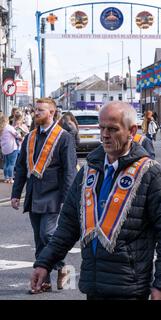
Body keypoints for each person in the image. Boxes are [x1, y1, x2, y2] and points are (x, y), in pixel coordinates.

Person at [29, 101, 161, 300]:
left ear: (132, 130)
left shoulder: (150, 173)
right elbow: (67, 226)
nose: (105, 135)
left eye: (113, 129)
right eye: (102, 128)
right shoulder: (87, 172)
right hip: (94, 286)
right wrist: (44, 263)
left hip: (129, 288)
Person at [11, 98, 77, 293]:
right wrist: (16, 194)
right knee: (39, 240)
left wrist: (68, 199)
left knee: (47, 233)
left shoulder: (64, 137)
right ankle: (45, 281)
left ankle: (62, 265)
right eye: (35, 110)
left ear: (52, 113)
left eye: (40, 110)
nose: (36, 113)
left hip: (54, 195)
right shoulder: (31, 137)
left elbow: (69, 171)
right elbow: (21, 167)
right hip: (34, 195)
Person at [0, 115, 22, 183]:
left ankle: (6, 178)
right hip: (12, 147)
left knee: (6, 164)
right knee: (11, 164)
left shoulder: (1, 128)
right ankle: (10, 178)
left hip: (4, 148)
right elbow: (17, 135)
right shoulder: (9, 127)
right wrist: (20, 136)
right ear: (7, 120)